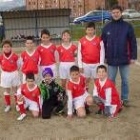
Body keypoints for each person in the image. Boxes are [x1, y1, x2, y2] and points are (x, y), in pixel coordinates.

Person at [101, 5, 137, 107]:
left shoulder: (127, 26)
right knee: (111, 80)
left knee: (125, 80)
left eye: (117, 12)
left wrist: (133, 57)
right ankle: (112, 97)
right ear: (111, 13)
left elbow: (133, 42)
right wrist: (104, 57)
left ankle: (124, 98)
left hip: (124, 58)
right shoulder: (107, 27)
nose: (115, 14)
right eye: (114, 12)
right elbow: (102, 44)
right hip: (111, 59)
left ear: (121, 13)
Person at [78, 22, 105, 90]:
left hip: (96, 64)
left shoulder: (99, 40)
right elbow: (79, 54)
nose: (90, 31)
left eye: (91, 30)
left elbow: (102, 52)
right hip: (85, 64)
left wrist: (101, 65)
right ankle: (85, 95)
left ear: (94, 30)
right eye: (88, 30)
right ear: (86, 30)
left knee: (97, 80)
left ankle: (97, 95)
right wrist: (80, 66)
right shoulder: (81, 41)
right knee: (86, 80)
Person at [0, 40, 20, 112]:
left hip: (14, 73)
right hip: (5, 74)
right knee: (7, 90)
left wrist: (14, 71)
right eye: (4, 47)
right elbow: (1, 66)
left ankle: (17, 104)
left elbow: (19, 65)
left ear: (11, 47)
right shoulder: (1, 57)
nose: (6, 48)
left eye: (8, 46)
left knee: (15, 90)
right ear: (2, 48)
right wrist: (4, 72)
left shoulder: (15, 56)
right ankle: (8, 105)